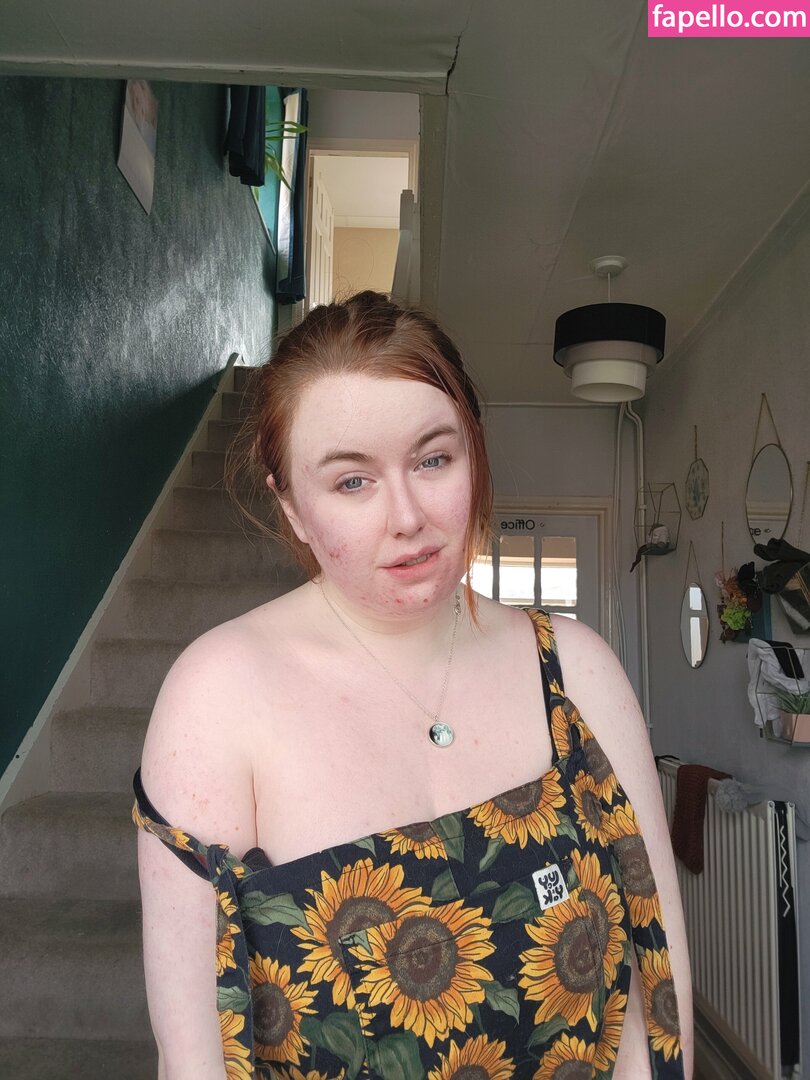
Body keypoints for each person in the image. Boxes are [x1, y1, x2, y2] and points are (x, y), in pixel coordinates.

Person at [133, 291, 693, 1080]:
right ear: (291, 506)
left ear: (473, 452)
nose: (407, 517)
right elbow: (192, 1060)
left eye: (433, 460)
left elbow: (657, 992)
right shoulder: (217, 698)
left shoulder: (577, 672)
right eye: (351, 482)